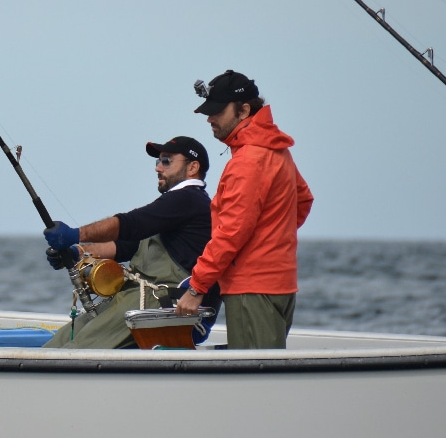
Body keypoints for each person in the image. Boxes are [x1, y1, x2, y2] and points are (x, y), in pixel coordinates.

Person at [175, 70, 313, 349]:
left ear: (244, 110)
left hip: (252, 289)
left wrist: (196, 288)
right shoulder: (278, 151)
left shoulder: (247, 161)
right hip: (281, 285)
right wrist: (271, 240)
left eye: (216, 111)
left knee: (259, 384)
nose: (209, 118)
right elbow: (303, 200)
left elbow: (231, 233)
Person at [42, 136, 221, 349]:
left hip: (170, 307)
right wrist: (77, 252)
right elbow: (128, 245)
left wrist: (76, 234)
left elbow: (131, 224)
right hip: (139, 297)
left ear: (193, 167)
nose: (158, 168)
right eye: (158, 161)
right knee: (60, 342)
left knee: (77, 348)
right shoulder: (174, 205)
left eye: (166, 161)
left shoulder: (189, 199)